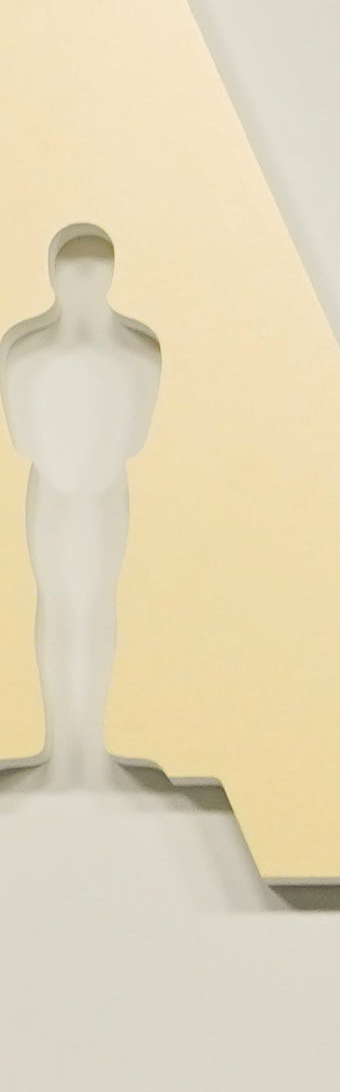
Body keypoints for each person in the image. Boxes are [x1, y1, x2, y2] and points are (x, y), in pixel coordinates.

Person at [6, 222, 163, 794]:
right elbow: (24, 438)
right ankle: (65, 753)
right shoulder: (26, 354)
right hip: (58, 496)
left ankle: (85, 750)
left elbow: (27, 436)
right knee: (63, 608)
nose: (84, 283)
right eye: (77, 271)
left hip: (96, 497)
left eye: (92, 271)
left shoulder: (137, 354)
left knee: (91, 608)